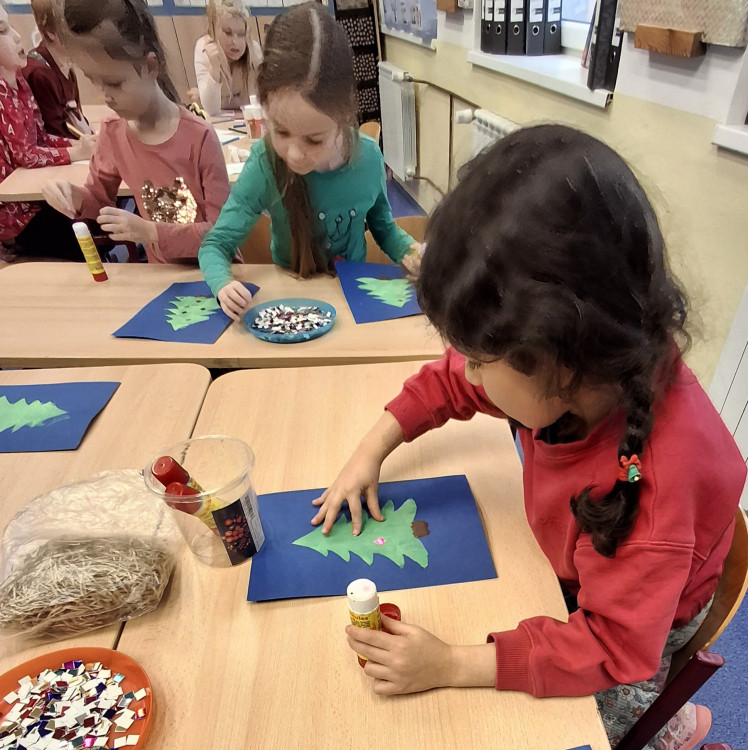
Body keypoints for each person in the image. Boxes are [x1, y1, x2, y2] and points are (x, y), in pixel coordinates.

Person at [312, 125, 747, 750]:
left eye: (480, 359)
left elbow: (615, 647)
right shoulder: (584, 365)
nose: (469, 373)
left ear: (558, 359)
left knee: (539, 729)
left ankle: (667, 728)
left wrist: (452, 663)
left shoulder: (652, 495)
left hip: (638, 624)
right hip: (608, 574)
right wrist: (370, 450)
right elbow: (452, 382)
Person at [199, 1, 418, 320]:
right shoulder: (265, 163)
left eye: (314, 140)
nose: (294, 154)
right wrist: (222, 283)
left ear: (344, 118)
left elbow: (383, 228)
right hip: (292, 303)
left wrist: (412, 253)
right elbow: (216, 243)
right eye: (281, 131)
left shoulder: (368, 157)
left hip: (353, 302)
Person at [42, 0, 231, 264]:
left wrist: (150, 232)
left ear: (151, 66)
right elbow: (99, 202)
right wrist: (75, 197)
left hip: (216, 271)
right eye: (93, 81)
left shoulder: (199, 137)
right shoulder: (112, 133)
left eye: (114, 83)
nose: (105, 96)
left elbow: (223, 234)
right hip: (161, 274)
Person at [0, 4, 95, 260]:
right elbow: (25, 155)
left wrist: (78, 146)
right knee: (79, 230)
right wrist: (76, 153)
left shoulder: (18, 79)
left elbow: (40, 137)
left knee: (88, 208)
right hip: (15, 213)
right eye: (2, 31)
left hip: (34, 200)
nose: (17, 37)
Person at [23, 0, 90, 139]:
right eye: (75, 29)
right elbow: (54, 134)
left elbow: (77, 121)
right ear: (51, 32)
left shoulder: (65, 67)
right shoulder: (39, 74)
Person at [194, 0, 262, 117]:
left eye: (241, 34)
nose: (235, 42)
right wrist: (214, 69)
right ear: (213, 31)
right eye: (228, 33)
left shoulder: (253, 50)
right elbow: (212, 110)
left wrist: (214, 100)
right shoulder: (204, 48)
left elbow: (255, 102)